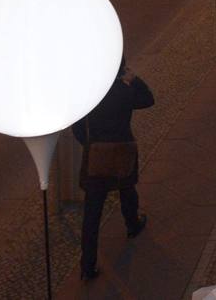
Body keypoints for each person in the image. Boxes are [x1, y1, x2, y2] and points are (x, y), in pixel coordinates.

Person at [72, 59, 154, 281]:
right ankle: (132, 225)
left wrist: (90, 144)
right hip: (122, 149)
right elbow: (148, 100)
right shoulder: (123, 91)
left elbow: (77, 128)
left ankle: (87, 266)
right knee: (127, 189)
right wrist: (134, 80)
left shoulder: (90, 94)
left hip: (96, 155)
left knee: (92, 212)